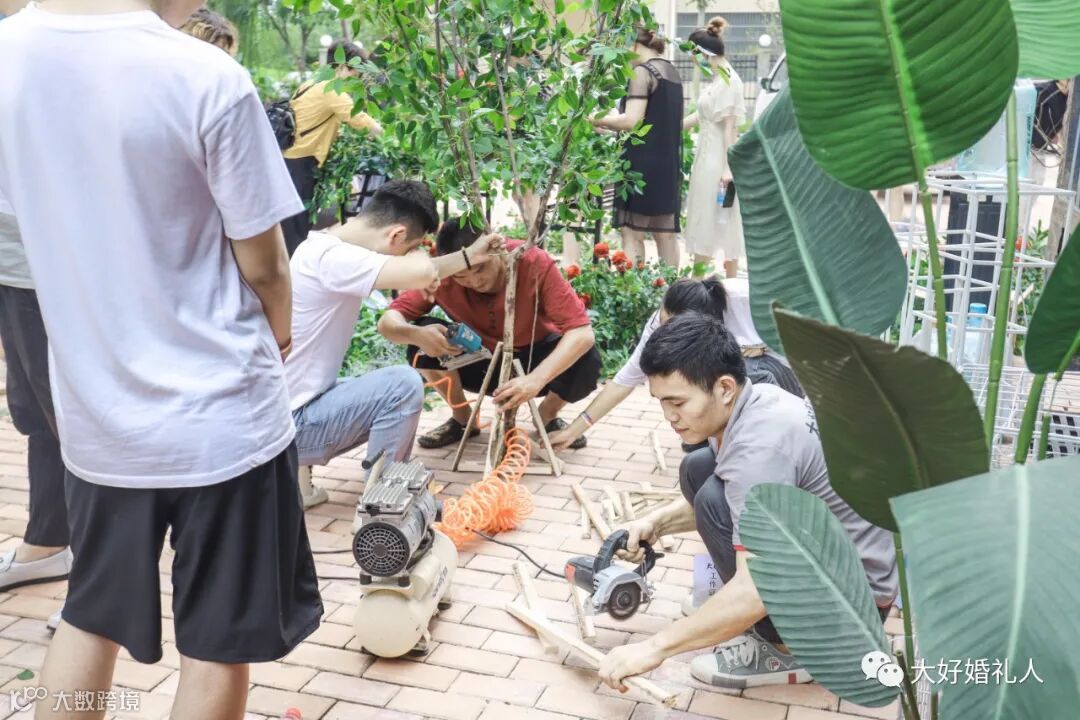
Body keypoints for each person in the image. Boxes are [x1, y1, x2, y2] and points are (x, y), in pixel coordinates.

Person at [0, 2, 322, 717]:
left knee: (91, 615)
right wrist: (281, 333)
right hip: (222, 419)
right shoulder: (204, 74)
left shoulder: (8, 54)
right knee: (216, 644)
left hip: (99, 417)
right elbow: (266, 265)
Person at [597, 314, 897, 691]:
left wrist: (653, 647)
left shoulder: (760, 450)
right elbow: (739, 493)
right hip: (838, 568)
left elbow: (756, 587)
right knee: (699, 469)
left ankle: (789, 649)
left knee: (711, 500)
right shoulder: (757, 399)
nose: (670, 416)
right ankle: (737, 617)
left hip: (850, 615)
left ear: (724, 387)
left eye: (678, 402)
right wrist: (656, 525)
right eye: (662, 402)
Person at [286, 181, 504, 507]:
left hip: (287, 414)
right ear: (397, 235)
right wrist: (419, 263)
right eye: (409, 248)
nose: (408, 256)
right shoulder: (337, 259)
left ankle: (300, 490)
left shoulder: (322, 247)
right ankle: (384, 505)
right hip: (294, 428)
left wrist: (468, 256)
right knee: (401, 385)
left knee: (354, 386)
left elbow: (425, 270)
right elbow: (421, 273)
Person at [378, 218, 601, 449]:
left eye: (480, 269)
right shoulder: (440, 274)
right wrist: (415, 333)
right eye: (461, 277)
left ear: (496, 249)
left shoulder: (531, 260)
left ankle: (547, 415)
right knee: (422, 337)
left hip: (534, 359)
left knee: (586, 357)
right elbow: (387, 322)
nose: (474, 281)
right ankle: (463, 419)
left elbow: (582, 333)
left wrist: (536, 379)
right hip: (480, 360)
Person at [549, 276, 802, 452]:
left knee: (747, 375)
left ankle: (756, 443)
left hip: (782, 373)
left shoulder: (751, 301)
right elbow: (625, 380)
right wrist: (574, 430)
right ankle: (712, 439)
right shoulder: (663, 322)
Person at [0, 0, 70, 632]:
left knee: (73, 423)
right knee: (33, 413)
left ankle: (101, 579)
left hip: (49, 265)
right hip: (11, 261)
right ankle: (49, 541)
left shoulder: (54, 40)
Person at [281, 40, 384, 256]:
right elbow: (357, 118)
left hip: (290, 157)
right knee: (297, 221)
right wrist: (384, 134)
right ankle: (293, 266)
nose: (356, 77)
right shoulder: (330, 89)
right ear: (343, 66)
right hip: (302, 160)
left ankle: (289, 261)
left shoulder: (311, 83)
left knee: (291, 218)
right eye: (355, 71)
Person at [592, 28, 683, 267]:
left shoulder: (642, 72)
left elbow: (632, 121)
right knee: (665, 234)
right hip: (667, 164)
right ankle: (671, 287)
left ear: (634, 46)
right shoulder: (671, 72)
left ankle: (634, 285)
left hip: (640, 164)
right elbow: (654, 122)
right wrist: (611, 126)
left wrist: (597, 119)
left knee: (632, 232)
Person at [682, 18, 746, 279]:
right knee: (706, 216)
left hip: (718, 160)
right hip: (706, 157)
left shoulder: (730, 80)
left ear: (701, 52)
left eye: (693, 55)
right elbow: (702, 116)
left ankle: (723, 283)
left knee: (720, 219)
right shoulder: (719, 79)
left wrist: (729, 168)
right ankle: (700, 280)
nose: (693, 61)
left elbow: (731, 128)